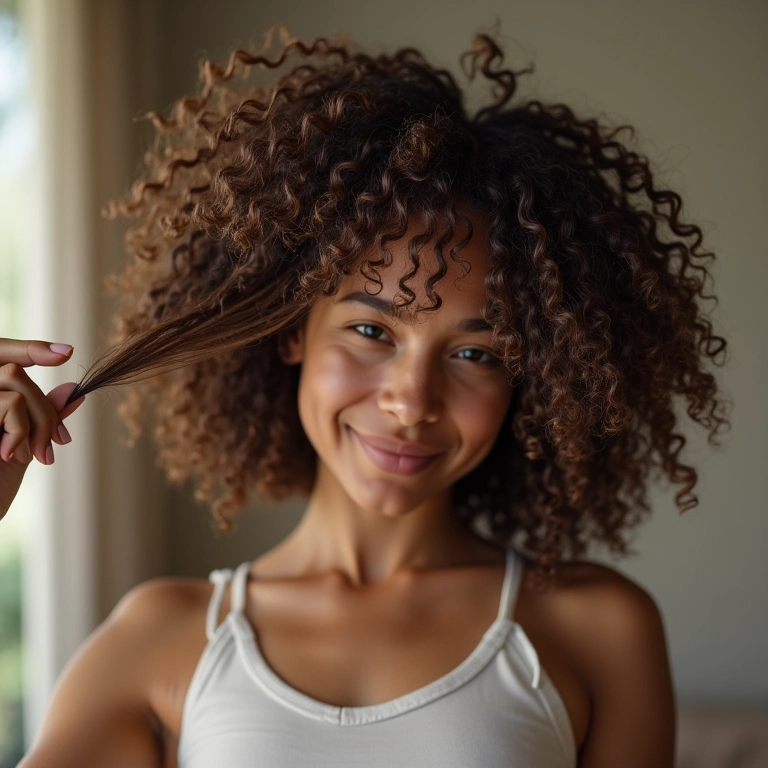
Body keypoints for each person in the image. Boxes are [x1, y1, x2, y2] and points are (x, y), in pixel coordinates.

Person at [0, 28, 729, 767]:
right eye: (372, 331)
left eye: (476, 353)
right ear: (293, 331)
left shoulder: (597, 629)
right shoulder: (163, 635)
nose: (412, 402)